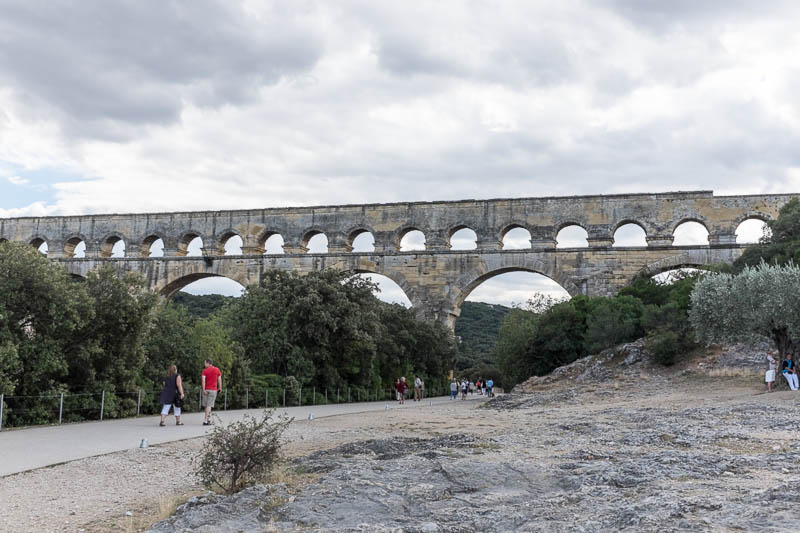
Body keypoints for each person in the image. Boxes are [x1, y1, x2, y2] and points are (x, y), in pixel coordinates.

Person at [201, 359, 222, 425]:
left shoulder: (204, 371)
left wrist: (203, 389)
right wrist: (220, 387)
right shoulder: (217, 370)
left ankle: (207, 419)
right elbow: (219, 379)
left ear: (208, 363)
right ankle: (206, 420)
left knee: (207, 405)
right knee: (209, 405)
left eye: (205, 363)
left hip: (206, 389)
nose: (204, 365)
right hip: (213, 389)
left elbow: (203, 380)